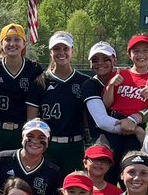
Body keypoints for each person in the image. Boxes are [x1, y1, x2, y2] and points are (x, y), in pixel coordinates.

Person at [37, 31, 101, 173]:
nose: (61, 52)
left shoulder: (84, 81)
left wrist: (88, 140)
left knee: (75, 190)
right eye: (57, 49)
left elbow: (86, 117)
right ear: (50, 52)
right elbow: (33, 118)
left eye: (65, 48)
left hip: (74, 145)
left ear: (72, 51)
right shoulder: (41, 81)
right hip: (47, 144)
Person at [98, 36, 148, 174]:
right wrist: (111, 85)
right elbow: (107, 104)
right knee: (106, 170)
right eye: (136, 51)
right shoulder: (120, 74)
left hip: (136, 128)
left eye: (146, 50)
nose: (141, 55)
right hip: (114, 124)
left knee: (130, 171)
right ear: (129, 54)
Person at [0, 23, 43, 159]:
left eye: (17, 39)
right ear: (1, 44)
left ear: (24, 44)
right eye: (8, 39)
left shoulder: (34, 69)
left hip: (21, 131)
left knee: (19, 175)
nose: (12, 44)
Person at [0, 119, 63, 195]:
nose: (35, 141)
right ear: (22, 138)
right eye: (30, 137)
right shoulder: (0, 159)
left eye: (41, 138)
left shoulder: (53, 171)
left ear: (48, 141)